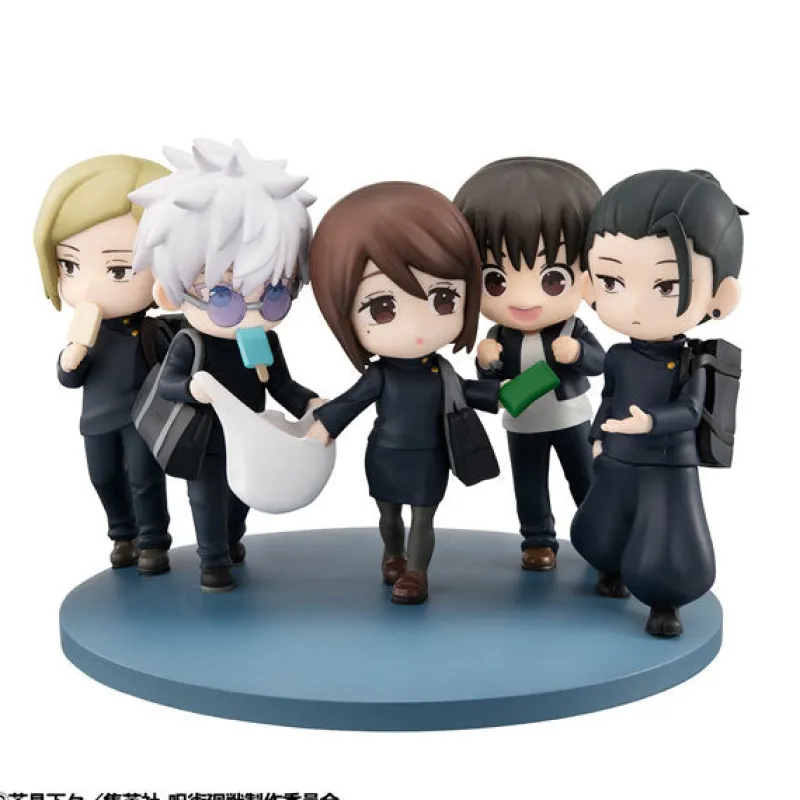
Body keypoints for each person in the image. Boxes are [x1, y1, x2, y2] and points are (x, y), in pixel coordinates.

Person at [130, 139, 323, 592]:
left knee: (242, 496)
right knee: (208, 499)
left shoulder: (265, 341)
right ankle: (212, 561)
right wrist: (192, 389)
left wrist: (309, 403)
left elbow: (281, 385)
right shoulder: (190, 341)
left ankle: (232, 539)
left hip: (251, 438)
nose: (253, 312)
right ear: (171, 292)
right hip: (206, 440)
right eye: (222, 296)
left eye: (275, 294)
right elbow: (169, 383)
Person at [306, 181, 500, 605]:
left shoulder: (441, 372)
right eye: (382, 307)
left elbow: (466, 392)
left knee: (423, 519)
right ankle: (393, 554)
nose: (415, 328)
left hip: (430, 456)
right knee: (389, 516)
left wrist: (500, 394)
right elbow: (352, 400)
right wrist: (325, 426)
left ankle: (416, 574)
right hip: (386, 455)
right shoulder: (381, 375)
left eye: (444, 298)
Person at [570, 169, 745, 637]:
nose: (634, 306)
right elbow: (609, 397)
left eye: (666, 286)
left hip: (666, 465)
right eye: (612, 281)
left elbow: (690, 411)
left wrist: (648, 422)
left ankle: (664, 601)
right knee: (601, 526)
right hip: (616, 457)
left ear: (720, 297)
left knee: (666, 540)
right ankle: (609, 566)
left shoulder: (690, 362)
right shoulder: (618, 356)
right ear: (589, 284)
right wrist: (597, 436)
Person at [454, 157, 604, 571]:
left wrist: (579, 353)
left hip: (570, 416)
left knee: (586, 479)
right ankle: (538, 540)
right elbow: (494, 382)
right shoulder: (499, 335)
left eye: (553, 279)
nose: (523, 298)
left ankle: (601, 535)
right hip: (522, 422)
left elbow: (600, 362)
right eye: (496, 280)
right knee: (529, 484)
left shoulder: (573, 327)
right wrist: (487, 363)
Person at [34, 155, 173, 574]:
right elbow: (70, 378)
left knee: (145, 478)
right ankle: (122, 534)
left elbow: (178, 368)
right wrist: (70, 358)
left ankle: (153, 541)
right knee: (103, 477)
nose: (90, 284)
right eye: (70, 265)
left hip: (141, 417)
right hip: (96, 417)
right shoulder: (87, 331)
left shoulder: (153, 330)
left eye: (118, 269)